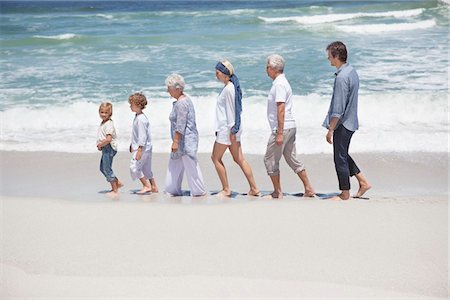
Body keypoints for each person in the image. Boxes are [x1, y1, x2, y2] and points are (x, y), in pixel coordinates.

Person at [323, 41, 372, 200]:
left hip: (343, 123)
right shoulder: (351, 71)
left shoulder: (342, 77)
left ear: (336, 55)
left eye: (329, 55)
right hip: (351, 121)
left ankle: (344, 193)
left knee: (339, 158)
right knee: (342, 153)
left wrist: (331, 129)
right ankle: (363, 182)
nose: (328, 58)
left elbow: (338, 109)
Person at [264, 54, 315, 199]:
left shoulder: (279, 84)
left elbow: (281, 108)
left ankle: (277, 192)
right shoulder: (282, 82)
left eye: (267, 67)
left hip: (283, 128)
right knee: (291, 158)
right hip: (290, 127)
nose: (266, 70)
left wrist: (279, 133)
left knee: (270, 159)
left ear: (273, 68)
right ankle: (308, 188)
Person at [211, 59, 260, 197]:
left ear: (225, 73)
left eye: (218, 72)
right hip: (231, 129)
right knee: (239, 159)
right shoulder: (230, 87)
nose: (216, 74)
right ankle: (254, 188)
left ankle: (226, 189)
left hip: (227, 130)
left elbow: (232, 111)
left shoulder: (229, 89)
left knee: (215, 158)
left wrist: (233, 130)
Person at [164, 73, 206, 197]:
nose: (167, 90)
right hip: (182, 140)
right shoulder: (182, 101)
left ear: (177, 89)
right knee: (175, 164)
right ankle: (172, 189)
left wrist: (175, 141)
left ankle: (198, 191)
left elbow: (181, 124)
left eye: (169, 88)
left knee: (190, 165)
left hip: (186, 141)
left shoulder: (182, 103)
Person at [128, 92, 158, 194]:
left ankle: (146, 185)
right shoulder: (139, 116)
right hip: (147, 147)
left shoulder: (141, 119)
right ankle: (153, 186)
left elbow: (142, 136)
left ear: (139, 105)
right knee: (146, 168)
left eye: (131, 104)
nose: (130, 106)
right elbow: (137, 134)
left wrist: (139, 149)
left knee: (134, 166)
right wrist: (132, 144)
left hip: (143, 148)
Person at [96, 102, 123, 198]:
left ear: (110, 114)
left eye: (105, 113)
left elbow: (108, 139)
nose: (103, 114)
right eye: (101, 112)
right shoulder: (104, 122)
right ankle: (117, 182)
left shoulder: (108, 124)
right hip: (105, 147)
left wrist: (100, 145)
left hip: (109, 147)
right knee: (102, 168)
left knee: (107, 169)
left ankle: (115, 190)